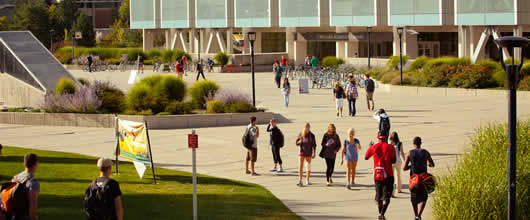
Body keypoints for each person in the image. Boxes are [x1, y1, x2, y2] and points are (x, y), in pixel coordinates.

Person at [365, 132, 396, 220]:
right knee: (387, 197)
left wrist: (370, 147)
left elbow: (366, 157)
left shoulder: (373, 147)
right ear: (385, 138)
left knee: (379, 196)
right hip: (388, 174)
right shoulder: (390, 147)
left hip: (378, 175)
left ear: (378, 138)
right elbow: (393, 161)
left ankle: (380, 213)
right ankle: (382, 213)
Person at [403, 137, 435, 220]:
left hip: (414, 179)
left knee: (414, 198)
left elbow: (404, 168)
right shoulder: (426, 152)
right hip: (423, 179)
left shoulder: (410, 153)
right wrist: (427, 164)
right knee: (424, 198)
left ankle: (416, 214)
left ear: (414, 144)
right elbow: (432, 164)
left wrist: (411, 166)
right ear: (421, 143)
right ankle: (419, 215)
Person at [7, 153, 40, 220]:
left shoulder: (15, 178)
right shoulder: (33, 182)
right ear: (35, 164)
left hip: (13, 216)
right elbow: (32, 207)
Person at [389, 132, 406, 196]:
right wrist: (405, 160)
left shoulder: (389, 143)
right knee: (398, 176)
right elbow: (402, 152)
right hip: (398, 161)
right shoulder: (400, 143)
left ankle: (392, 191)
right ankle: (399, 189)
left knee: (392, 177)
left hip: (391, 162)